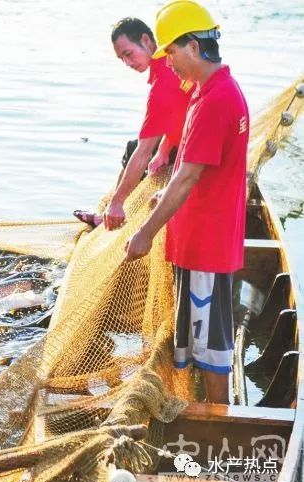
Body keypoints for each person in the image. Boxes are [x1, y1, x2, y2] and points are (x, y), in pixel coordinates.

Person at [124, 0, 249, 404]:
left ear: (194, 47)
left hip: (205, 248)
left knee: (211, 347)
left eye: (172, 52)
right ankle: (208, 412)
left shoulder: (215, 99)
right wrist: (166, 191)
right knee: (199, 338)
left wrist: (144, 233)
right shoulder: (209, 91)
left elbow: (189, 175)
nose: (169, 62)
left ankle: (219, 425)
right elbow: (194, 169)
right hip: (200, 240)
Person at [73, 17, 194, 230]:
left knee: (136, 150)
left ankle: (112, 213)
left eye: (128, 54)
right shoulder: (170, 62)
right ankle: (112, 210)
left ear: (147, 41)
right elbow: (180, 115)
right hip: (191, 139)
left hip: (194, 153)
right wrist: (164, 149)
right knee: (136, 148)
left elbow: (144, 150)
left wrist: (117, 202)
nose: (127, 64)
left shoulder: (163, 82)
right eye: (122, 59)